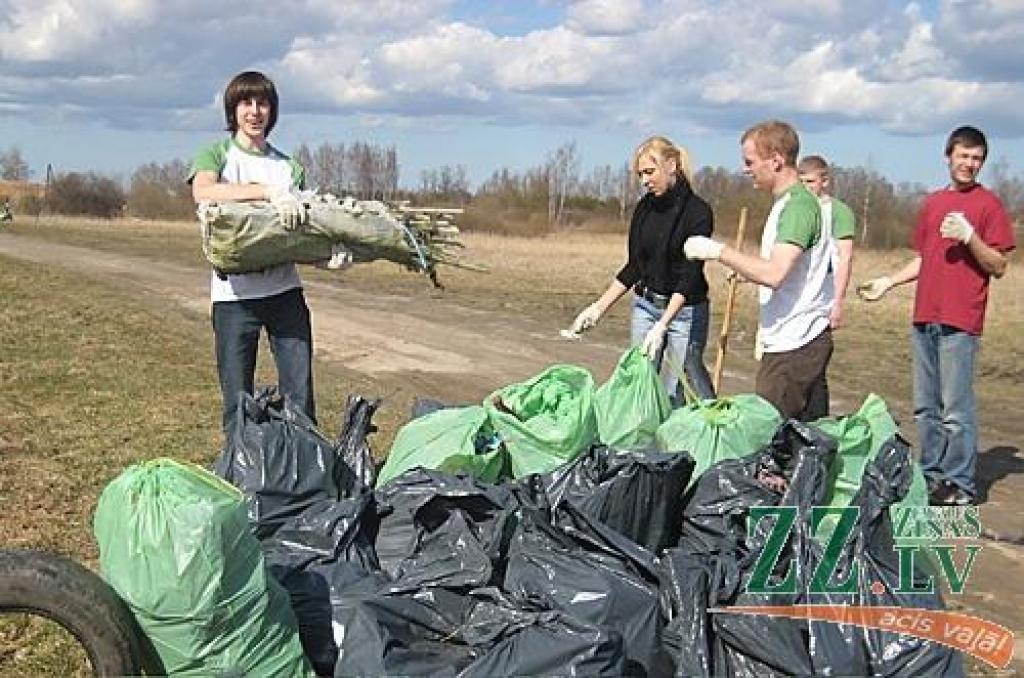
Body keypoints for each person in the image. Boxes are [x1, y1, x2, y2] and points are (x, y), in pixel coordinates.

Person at [858, 125, 1015, 506]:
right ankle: (929, 477)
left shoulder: (989, 205)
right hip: (925, 315)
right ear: (948, 157)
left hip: (961, 320)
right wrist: (888, 282)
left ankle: (959, 484)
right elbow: (925, 258)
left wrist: (970, 237)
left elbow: (998, 265)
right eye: (963, 156)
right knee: (925, 408)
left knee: (955, 409)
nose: (969, 164)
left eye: (976, 158)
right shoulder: (932, 203)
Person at [188, 70, 316, 439]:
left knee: (300, 396)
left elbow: (299, 233)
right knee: (237, 399)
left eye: (263, 103)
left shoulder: (289, 167)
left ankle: (304, 463)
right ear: (233, 109)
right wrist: (267, 191)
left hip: (285, 294)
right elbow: (204, 191)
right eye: (246, 103)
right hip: (234, 298)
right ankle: (239, 463)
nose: (255, 111)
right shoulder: (216, 154)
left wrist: (327, 256)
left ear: (272, 111)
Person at [684, 120, 832, 421]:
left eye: (750, 161)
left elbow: (775, 274)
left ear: (775, 160)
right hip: (792, 338)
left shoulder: (798, 208)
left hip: (795, 343)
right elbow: (784, 268)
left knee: (770, 434)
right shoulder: (786, 204)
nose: (745, 169)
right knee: (806, 437)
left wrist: (718, 251)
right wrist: (745, 270)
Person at [569, 135, 715, 404]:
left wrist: (663, 325)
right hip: (646, 306)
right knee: (639, 383)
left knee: (676, 388)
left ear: (671, 165)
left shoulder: (698, 212)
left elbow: (689, 276)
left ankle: (706, 422)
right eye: (640, 175)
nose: (645, 181)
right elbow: (635, 266)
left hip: (685, 311)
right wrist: (597, 309)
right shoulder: (644, 209)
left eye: (649, 172)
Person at [797, 155, 856, 329]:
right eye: (801, 182)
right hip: (795, 291)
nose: (805, 187)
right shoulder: (794, 209)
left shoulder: (839, 212)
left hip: (822, 296)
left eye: (810, 182)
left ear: (824, 181)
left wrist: (838, 303)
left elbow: (844, 258)